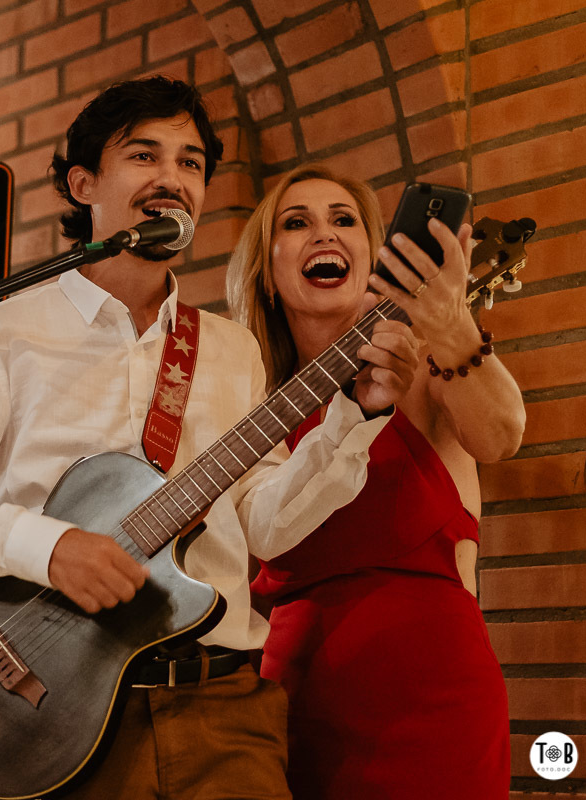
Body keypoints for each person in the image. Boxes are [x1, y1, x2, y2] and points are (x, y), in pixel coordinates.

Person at [0, 78, 417, 800]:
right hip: (47, 711)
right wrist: (50, 548)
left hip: (218, 706)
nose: (173, 177)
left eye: (191, 163)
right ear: (83, 184)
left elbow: (264, 525)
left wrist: (354, 418)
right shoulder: (2, 333)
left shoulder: (231, 349)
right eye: (144, 155)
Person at [226, 163, 525, 799]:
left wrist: (452, 323)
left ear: (371, 257)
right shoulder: (249, 404)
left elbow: (503, 435)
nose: (323, 233)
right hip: (294, 702)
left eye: (344, 220)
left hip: (435, 697)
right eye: (295, 223)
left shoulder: (426, 364)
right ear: (267, 273)